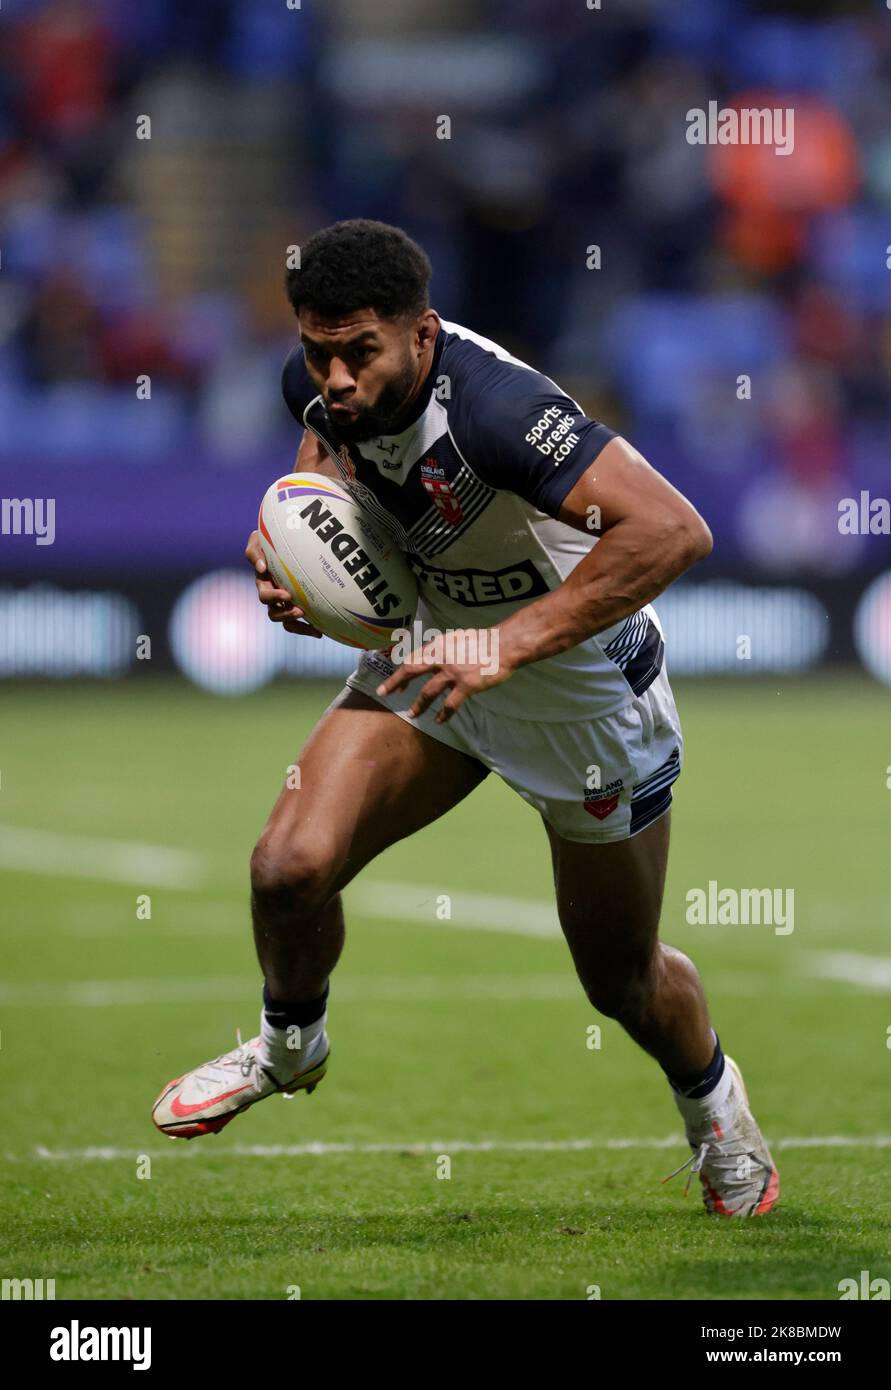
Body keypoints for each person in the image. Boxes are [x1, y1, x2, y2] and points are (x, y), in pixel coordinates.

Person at [152, 219, 778, 1217]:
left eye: (361, 351)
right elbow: (321, 468)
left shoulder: (498, 411)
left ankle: (715, 1110)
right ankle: (288, 1047)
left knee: (620, 982)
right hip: (434, 657)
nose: (337, 377)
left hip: (581, 703)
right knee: (288, 869)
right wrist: (292, 555)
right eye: (318, 351)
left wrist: (509, 643)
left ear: (423, 332)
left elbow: (673, 530)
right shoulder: (319, 384)